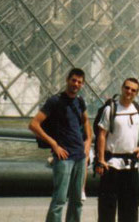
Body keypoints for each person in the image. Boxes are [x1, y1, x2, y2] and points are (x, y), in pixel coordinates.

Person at [29, 68, 92, 222]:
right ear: (67, 80)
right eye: (73, 80)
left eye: (79, 82)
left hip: (80, 156)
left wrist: (89, 141)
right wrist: (54, 144)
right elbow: (33, 124)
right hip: (64, 157)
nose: (76, 84)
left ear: (82, 84)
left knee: (77, 201)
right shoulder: (55, 101)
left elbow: (86, 121)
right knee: (59, 200)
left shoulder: (80, 101)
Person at [95, 77, 139, 222]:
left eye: (133, 90)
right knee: (107, 208)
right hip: (111, 164)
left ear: (137, 93)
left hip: (131, 165)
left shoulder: (138, 109)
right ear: (122, 88)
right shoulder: (110, 109)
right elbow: (101, 135)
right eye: (127, 88)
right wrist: (100, 159)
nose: (129, 92)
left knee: (130, 208)